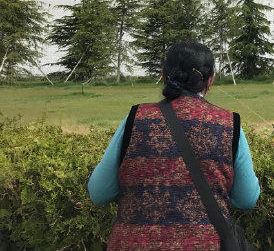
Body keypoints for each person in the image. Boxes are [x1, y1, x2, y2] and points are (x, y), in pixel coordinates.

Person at [88, 41, 260, 250]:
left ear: (163, 74)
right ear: (211, 79)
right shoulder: (229, 124)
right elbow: (246, 198)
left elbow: (99, 192)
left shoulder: (135, 118)